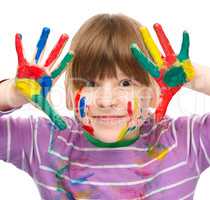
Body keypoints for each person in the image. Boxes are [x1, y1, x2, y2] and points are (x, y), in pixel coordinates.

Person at [1, 13, 210, 200]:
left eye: (126, 83)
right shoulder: (45, 143)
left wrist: (196, 76)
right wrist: (13, 93)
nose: (106, 101)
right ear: (68, 95)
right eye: (90, 84)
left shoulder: (184, 142)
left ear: (154, 93)